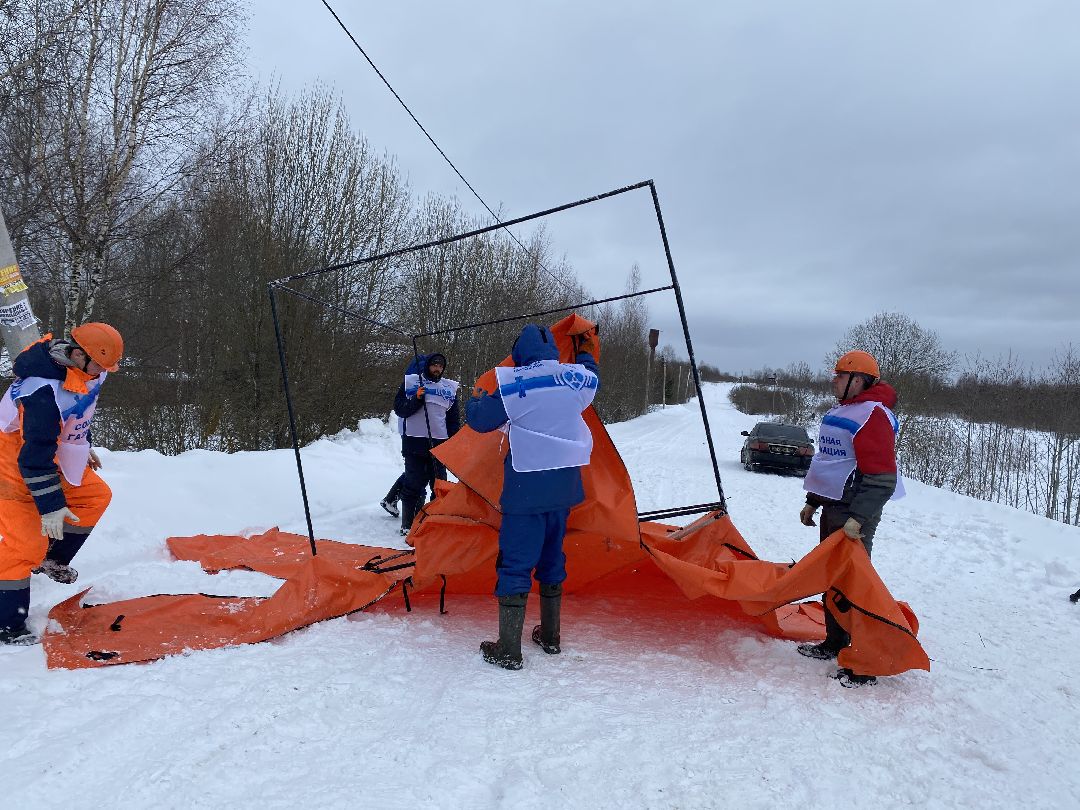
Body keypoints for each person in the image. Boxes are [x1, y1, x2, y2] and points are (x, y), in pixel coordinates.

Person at [467, 323, 599, 670]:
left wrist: (476, 399)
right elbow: (591, 369)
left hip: (526, 491)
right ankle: (551, 637)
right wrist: (585, 347)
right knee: (553, 558)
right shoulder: (576, 379)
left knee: (516, 563)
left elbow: (480, 421)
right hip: (564, 490)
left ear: (520, 354)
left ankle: (509, 650)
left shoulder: (516, 384)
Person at [0, 323, 122, 645]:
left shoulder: (90, 371)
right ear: (78, 354)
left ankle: (51, 559)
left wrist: (81, 443)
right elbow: (33, 459)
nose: (102, 373)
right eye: (99, 365)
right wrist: (51, 508)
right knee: (23, 546)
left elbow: (79, 409)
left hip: (46, 450)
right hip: (13, 461)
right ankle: (7, 623)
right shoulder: (41, 392)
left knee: (95, 496)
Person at [796, 349, 904, 687]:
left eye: (841, 376)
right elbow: (832, 463)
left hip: (855, 513)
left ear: (859, 381)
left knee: (855, 584)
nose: (835, 381)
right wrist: (814, 501)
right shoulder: (843, 411)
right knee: (833, 578)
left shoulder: (872, 415)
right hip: (834, 507)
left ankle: (866, 661)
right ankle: (835, 641)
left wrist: (859, 518)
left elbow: (882, 477)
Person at [390, 352, 459, 536]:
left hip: (439, 445)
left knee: (439, 485)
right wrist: (417, 399)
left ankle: (433, 520)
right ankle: (408, 525)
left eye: (440, 366)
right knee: (413, 484)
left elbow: (453, 420)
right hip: (414, 443)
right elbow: (400, 409)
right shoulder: (412, 383)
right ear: (428, 365)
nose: (437, 368)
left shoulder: (449, 389)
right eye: (434, 365)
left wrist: (453, 444)